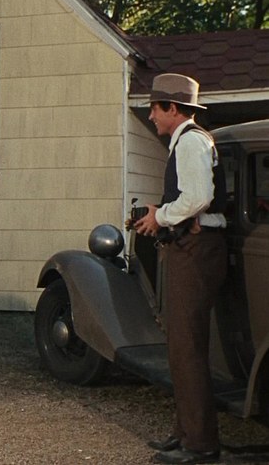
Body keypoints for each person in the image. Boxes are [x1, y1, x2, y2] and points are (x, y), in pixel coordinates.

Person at [134, 73, 227, 464]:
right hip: (190, 246)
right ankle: (187, 430)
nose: (151, 116)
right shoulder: (187, 142)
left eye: (155, 109)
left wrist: (161, 216)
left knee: (187, 348)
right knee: (180, 346)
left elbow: (199, 197)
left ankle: (200, 443)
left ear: (172, 108)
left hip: (196, 248)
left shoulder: (190, 142)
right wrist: (161, 213)